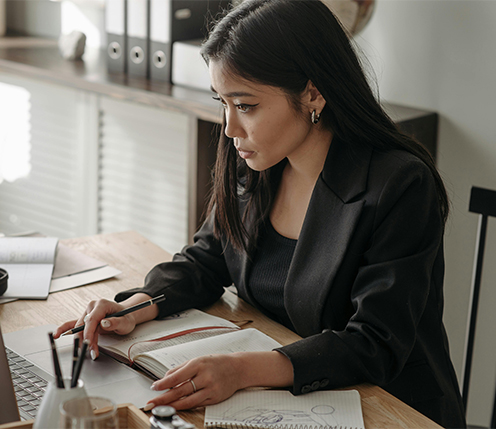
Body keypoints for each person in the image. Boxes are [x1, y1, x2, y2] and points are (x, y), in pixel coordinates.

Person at [55, 0, 466, 427]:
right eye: (223, 103)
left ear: (312, 92)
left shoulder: (399, 185)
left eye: (245, 105)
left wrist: (242, 369)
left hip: (388, 409)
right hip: (280, 404)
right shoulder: (258, 160)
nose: (230, 128)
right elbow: (207, 258)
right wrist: (134, 307)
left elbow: (375, 343)